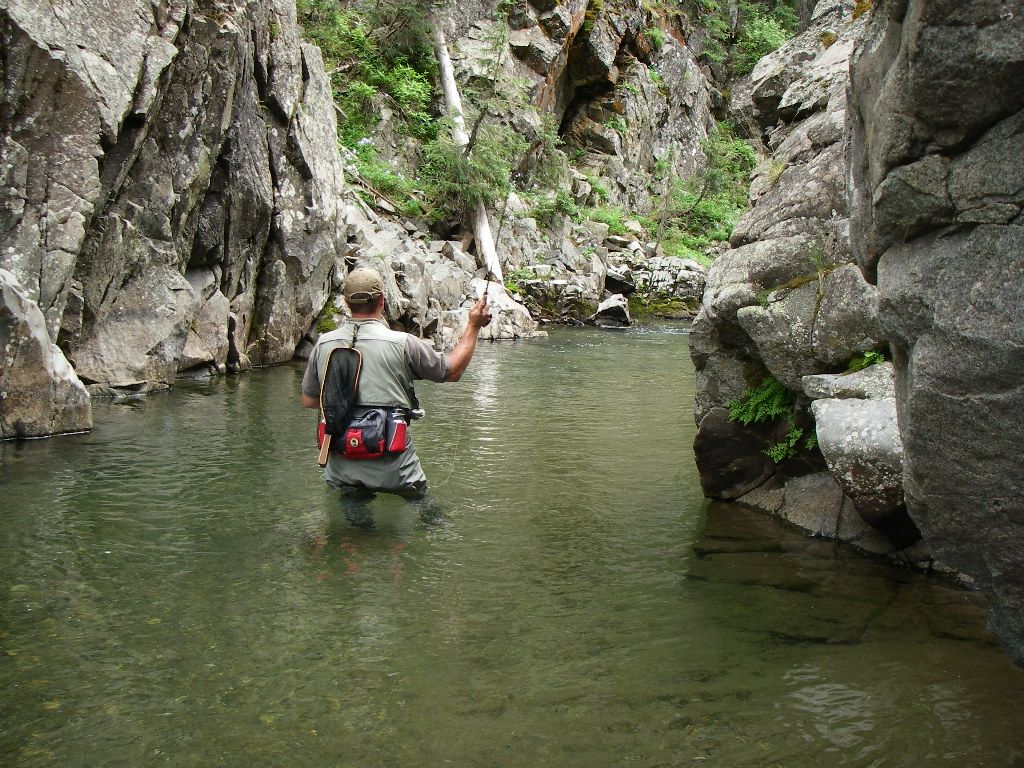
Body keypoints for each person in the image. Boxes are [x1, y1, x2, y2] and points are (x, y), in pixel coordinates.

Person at [300, 267, 492, 506]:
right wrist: (473, 325)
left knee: (353, 522)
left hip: (341, 464)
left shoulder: (322, 343)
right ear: (382, 299)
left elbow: (309, 401)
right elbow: (451, 372)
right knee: (424, 508)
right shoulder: (403, 343)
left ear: (346, 302)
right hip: (394, 467)